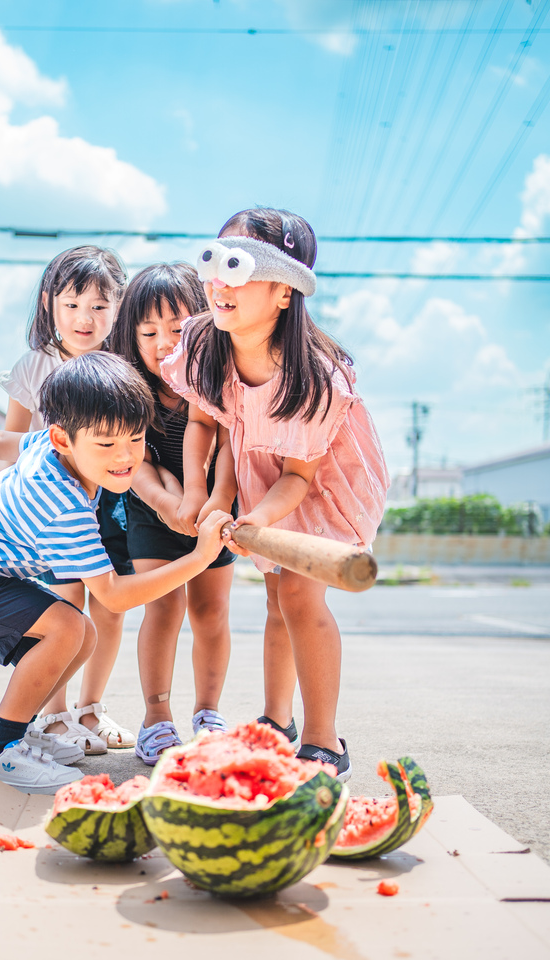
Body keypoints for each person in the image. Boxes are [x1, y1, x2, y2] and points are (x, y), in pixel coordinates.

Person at [0, 353, 232, 794]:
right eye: (105, 445)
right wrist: (197, 559)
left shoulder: (51, 447)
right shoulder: (62, 505)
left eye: (135, 440)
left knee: (83, 631)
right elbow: (113, 596)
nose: (125, 458)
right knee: (64, 627)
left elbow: (0, 442)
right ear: (64, 437)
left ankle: (24, 729)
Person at [161, 208, 389, 782]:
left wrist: (255, 519)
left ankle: (324, 741)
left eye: (239, 267)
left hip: (319, 482)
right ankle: (276, 722)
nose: (219, 282)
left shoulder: (314, 379)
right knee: (274, 599)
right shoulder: (205, 343)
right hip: (261, 474)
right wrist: (205, 493)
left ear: (285, 292)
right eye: (214, 261)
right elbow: (209, 425)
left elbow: (299, 477)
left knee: (300, 599)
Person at [0, 246, 135, 755]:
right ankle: (53, 716)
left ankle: (90, 709)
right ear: (50, 304)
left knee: (112, 608)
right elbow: (10, 446)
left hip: (112, 503)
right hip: (52, 510)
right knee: (64, 609)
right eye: (72, 304)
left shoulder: (125, 364)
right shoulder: (33, 367)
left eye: (100, 305)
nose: (85, 318)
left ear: (119, 307)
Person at [108, 263, 237, 764]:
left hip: (215, 507)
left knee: (211, 611)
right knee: (162, 608)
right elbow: (133, 463)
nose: (163, 342)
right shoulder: (128, 388)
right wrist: (166, 503)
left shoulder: (220, 378)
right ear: (131, 336)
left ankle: (208, 712)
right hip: (146, 507)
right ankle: (156, 718)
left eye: (178, 328)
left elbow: (227, 445)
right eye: (148, 331)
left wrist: (213, 502)